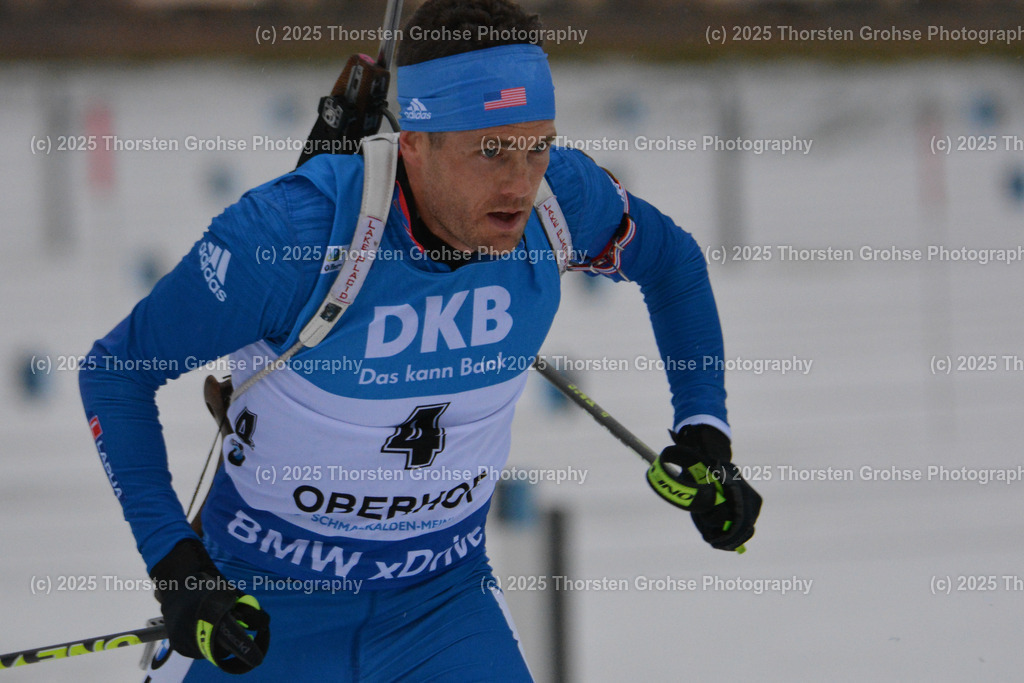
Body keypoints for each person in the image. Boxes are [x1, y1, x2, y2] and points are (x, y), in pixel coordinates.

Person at [79, 0, 762, 679]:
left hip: (442, 607)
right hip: (263, 607)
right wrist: (177, 564)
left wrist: (706, 428)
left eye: (537, 146)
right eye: (490, 150)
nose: (520, 183)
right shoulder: (293, 235)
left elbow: (672, 263)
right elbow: (116, 372)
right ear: (415, 143)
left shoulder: (561, 203)